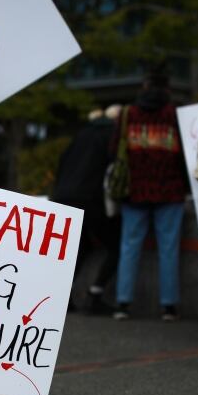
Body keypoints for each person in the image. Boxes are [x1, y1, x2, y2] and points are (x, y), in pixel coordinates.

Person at [112, 68, 186, 322]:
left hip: (134, 190)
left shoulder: (127, 114)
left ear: (143, 88)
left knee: (129, 247)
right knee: (169, 249)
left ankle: (122, 303)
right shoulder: (174, 115)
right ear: (167, 90)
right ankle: (169, 306)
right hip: (170, 190)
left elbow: (114, 150)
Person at [51, 105, 122, 315]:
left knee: (80, 247)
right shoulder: (112, 136)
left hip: (64, 195)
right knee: (118, 245)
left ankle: (61, 296)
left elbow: (62, 162)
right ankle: (96, 293)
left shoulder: (81, 134)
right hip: (91, 198)